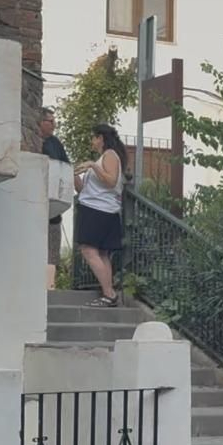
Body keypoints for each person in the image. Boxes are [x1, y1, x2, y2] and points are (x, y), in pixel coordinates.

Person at [72, 123, 128, 308]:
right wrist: (74, 174)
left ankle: (109, 293)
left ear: (101, 138)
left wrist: (92, 166)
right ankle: (108, 293)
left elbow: (111, 181)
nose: (92, 141)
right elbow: (83, 190)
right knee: (102, 253)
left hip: (98, 210)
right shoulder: (101, 159)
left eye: (94, 137)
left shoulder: (110, 155)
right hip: (99, 208)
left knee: (88, 250)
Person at [39, 108, 69, 281]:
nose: (54, 124)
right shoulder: (32, 141)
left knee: (52, 249)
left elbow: (65, 166)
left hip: (53, 203)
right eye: (50, 121)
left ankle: (49, 285)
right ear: (40, 122)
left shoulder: (55, 143)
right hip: (35, 201)